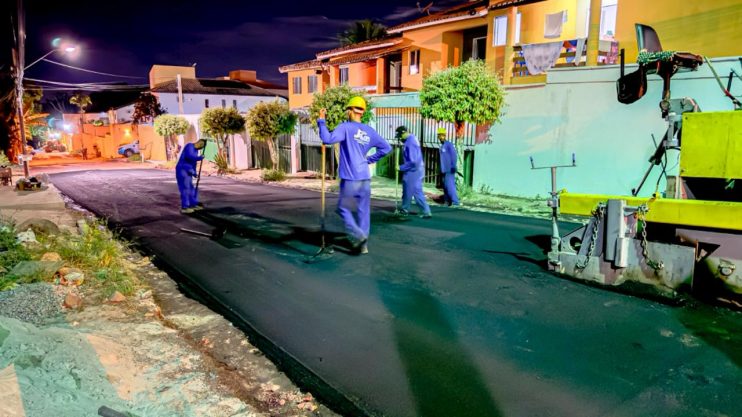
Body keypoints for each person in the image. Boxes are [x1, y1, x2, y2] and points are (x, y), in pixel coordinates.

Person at [317, 97, 391, 254]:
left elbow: (327, 139)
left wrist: (321, 121)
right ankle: (363, 245)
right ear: (362, 112)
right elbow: (386, 148)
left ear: (350, 111)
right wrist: (370, 159)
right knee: (364, 211)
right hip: (365, 177)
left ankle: (359, 235)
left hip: (350, 178)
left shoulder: (345, 127)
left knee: (343, 208)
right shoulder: (370, 131)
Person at [397, 126, 431, 218]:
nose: (399, 138)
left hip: (413, 170)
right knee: (416, 190)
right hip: (418, 169)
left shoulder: (410, 143)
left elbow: (413, 161)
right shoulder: (412, 139)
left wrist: (401, 167)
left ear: (404, 133)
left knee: (409, 189)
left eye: (400, 136)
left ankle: (405, 209)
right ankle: (425, 211)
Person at [176, 139, 206, 214]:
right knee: (185, 189)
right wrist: (199, 158)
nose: (201, 146)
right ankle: (185, 207)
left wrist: (195, 173)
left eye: (202, 146)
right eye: (201, 144)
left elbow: (194, 164)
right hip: (182, 169)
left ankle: (193, 204)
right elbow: (189, 156)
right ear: (198, 141)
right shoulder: (189, 146)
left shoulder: (195, 151)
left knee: (191, 189)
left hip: (189, 171)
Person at [438, 127, 460, 206]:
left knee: (450, 186)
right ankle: (447, 201)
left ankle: (455, 202)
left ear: (445, 136)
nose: (441, 137)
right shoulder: (441, 146)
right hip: (444, 170)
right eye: (439, 135)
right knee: (445, 187)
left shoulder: (448, 145)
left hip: (449, 170)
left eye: (442, 135)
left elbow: (454, 156)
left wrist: (453, 166)